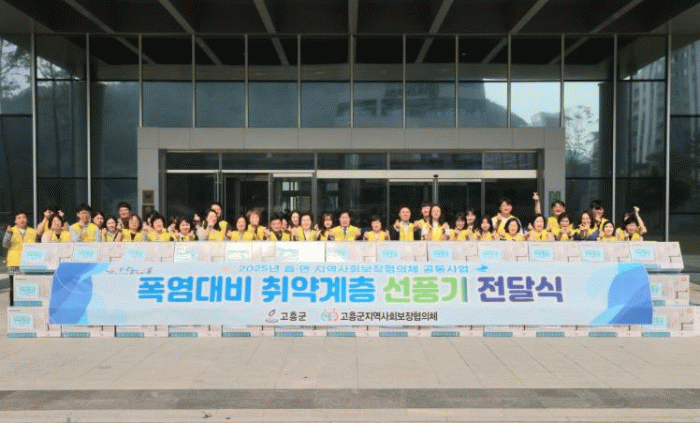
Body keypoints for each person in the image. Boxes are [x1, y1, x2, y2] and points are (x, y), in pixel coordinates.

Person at [3, 211, 37, 288]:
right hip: (14, 264)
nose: (22, 220)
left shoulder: (32, 231)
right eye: (19, 218)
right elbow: (5, 245)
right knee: (14, 288)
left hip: (29, 263)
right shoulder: (11, 230)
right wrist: (8, 234)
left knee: (28, 286)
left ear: (27, 220)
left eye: (24, 218)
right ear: (15, 221)